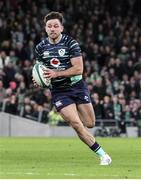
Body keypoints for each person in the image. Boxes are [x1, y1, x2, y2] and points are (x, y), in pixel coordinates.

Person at [33, 11, 112, 165]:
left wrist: (56, 73)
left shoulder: (71, 43)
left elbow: (78, 69)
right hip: (59, 91)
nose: (52, 29)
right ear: (45, 28)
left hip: (77, 86)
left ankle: (81, 125)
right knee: (76, 124)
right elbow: (40, 70)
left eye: (56, 26)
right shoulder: (40, 48)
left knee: (89, 124)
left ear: (62, 28)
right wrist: (39, 80)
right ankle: (104, 155)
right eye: (49, 26)